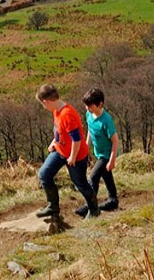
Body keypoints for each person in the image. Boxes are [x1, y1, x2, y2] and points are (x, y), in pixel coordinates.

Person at [35, 83, 100, 219]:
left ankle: (94, 209)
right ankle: (53, 207)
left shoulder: (67, 114)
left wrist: (72, 157)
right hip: (61, 151)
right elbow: (60, 131)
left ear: (46, 101)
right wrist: (54, 142)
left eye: (43, 104)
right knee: (44, 174)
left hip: (76, 155)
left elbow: (77, 139)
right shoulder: (56, 111)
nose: (43, 107)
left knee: (80, 183)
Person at [75, 88, 120, 216]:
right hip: (98, 152)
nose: (87, 108)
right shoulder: (89, 115)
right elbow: (90, 131)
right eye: (86, 106)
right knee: (106, 175)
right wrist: (86, 148)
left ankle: (91, 206)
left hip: (107, 154)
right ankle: (113, 200)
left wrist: (112, 160)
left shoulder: (106, 121)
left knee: (93, 177)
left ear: (100, 104)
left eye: (90, 106)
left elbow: (115, 141)